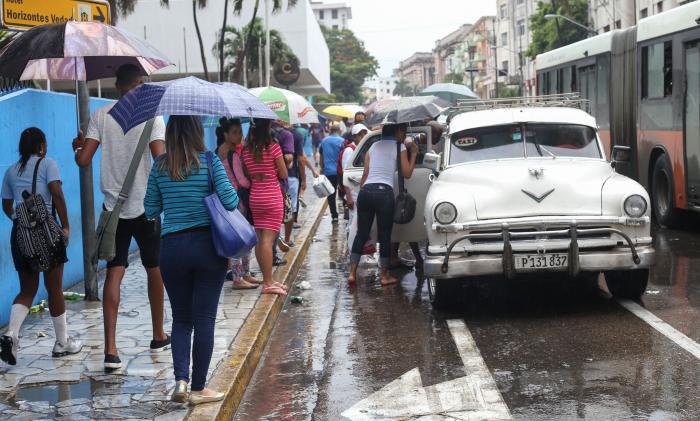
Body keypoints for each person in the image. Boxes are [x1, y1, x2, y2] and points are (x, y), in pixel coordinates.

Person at [73, 64, 170, 371]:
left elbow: (83, 160)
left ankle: (111, 351)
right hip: (146, 207)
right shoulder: (153, 117)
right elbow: (160, 160)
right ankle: (158, 335)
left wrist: (77, 147)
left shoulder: (101, 115)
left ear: (117, 86)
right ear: (140, 84)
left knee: (114, 272)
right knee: (154, 269)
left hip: (113, 210)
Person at [144, 115, 237, 404]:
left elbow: (150, 209)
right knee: (204, 319)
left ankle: (180, 382)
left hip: (172, 249)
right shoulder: (209, 160)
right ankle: (198, 388)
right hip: (207, 247)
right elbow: (231, 201)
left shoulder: (160, 165)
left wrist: (173, 198)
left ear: (170, 133)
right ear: (197, 130)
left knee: (182, 319)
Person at [1, 128, 83, 366]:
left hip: (20, 235)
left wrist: (22, 221)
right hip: (47, 233)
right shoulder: (48, 164)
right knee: (54, 287)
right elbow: (57, 194)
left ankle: (11, 335)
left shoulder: (10, 171)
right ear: (41, 146)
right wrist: (65, 226)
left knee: (27, 289)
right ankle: (62, 342)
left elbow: (7, 206)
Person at [348, 123, 418, 286]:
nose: (404, 135)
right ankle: (385, 276)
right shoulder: (399, 146)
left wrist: (360, 198)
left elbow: (365, 174)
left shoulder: (373, 146)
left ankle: (352, 274)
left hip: (366, 192)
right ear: (398, 132)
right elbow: (407, 173)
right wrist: (414, 153)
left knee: (361, 234)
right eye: (403, 132)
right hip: (384, 193)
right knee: (385, 236)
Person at [242, 119, 289, 296]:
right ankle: (268, 283)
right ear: (267, 128)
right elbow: (283, 173)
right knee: (268, 241)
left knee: (261, 239)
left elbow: (247, 174)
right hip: (271, 195)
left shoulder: (246, 150)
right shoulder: (273, 148)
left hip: (256, 196)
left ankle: (268, 279)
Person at [216, 118, 260, 290]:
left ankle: (244, 274)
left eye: (240, 132)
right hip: (237, 201)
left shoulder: (217, 152)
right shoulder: (232, 154)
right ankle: (238, 277)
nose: (239, 135)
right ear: (226, 134)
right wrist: (253, 181)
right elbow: (242, 181)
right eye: (234, 132)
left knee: (236, 237)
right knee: (244, 238)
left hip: (224, 201)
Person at [318, 125, 346, 222]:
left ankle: (334, 216)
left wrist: (322, 168)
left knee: (331, 194)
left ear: (330, 131)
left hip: (328, 171)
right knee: (344, 191)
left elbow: (321, 156)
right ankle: (346, 211)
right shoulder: (342, 141)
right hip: (340, 171)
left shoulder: (324, 141)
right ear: (339, 130)